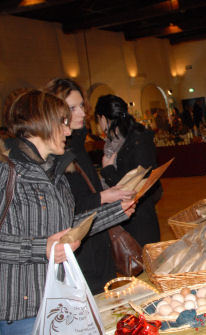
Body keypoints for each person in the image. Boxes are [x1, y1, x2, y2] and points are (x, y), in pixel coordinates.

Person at [0, 90, 134, 334]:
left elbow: (68, 227)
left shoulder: (55, 174)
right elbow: (44, 243)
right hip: (21, 315)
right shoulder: (7, 172)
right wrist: (41, 248)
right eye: (63, 123)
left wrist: (116, 211)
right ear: (41, 124)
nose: (69, 131)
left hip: (58, 303)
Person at [45, 78, 135, 293]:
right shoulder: (57, 152)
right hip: (80, 249)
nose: (82, 113)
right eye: (72, 108)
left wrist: (110, 197)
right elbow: (69, 208)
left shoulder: (75, 144)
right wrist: (105, 198)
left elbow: (86, 192)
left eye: (81, 106)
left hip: (96, 238)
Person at [95, 94, 161, 246]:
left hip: (138, 221)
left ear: (104, 118)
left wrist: (108, 170)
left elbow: (133, 188)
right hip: (131, 217)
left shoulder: (135, 141)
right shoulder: (119, 141)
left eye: (98, 119)